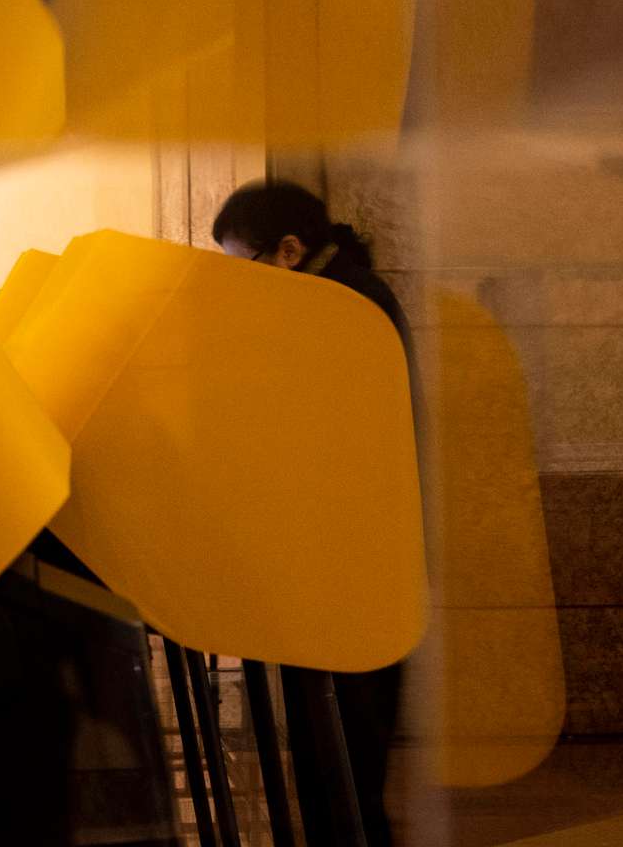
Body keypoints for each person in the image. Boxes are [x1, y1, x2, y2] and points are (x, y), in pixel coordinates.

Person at [211, 179, 415, 847]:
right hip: (350, 557)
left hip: (350, 563)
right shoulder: (345, 297)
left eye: (243, 267)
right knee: (340, 753)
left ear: (290, 250)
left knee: (344, 750)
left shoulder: (343, 306)